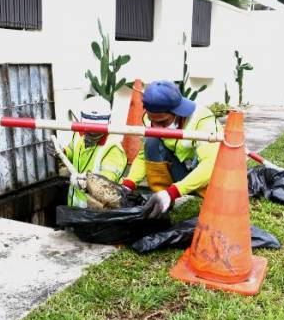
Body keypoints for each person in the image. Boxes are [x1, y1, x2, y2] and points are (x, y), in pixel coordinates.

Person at [121, 80, 220, 218]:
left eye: (163, 121)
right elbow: (144, 155)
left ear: (178, 112)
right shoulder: (151, 119)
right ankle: (162, 203)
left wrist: (173, 192)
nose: (157, 127)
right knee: (152, 141)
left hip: (209, 179)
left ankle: (167, 196)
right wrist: (128, 185)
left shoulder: (202, 120)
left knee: (217, 199)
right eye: (152, 120)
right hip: (182, 172)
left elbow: (210, 166)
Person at [47, 96, 127, 208]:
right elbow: (72, 151)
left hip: (98, 214)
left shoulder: (113, 148)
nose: (91, 134)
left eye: (96, 130)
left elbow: (106, 184)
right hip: (76, 208)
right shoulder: (79, 134)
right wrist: (63, 152)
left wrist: (86, 182)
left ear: (109, 122)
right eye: (88, 129)